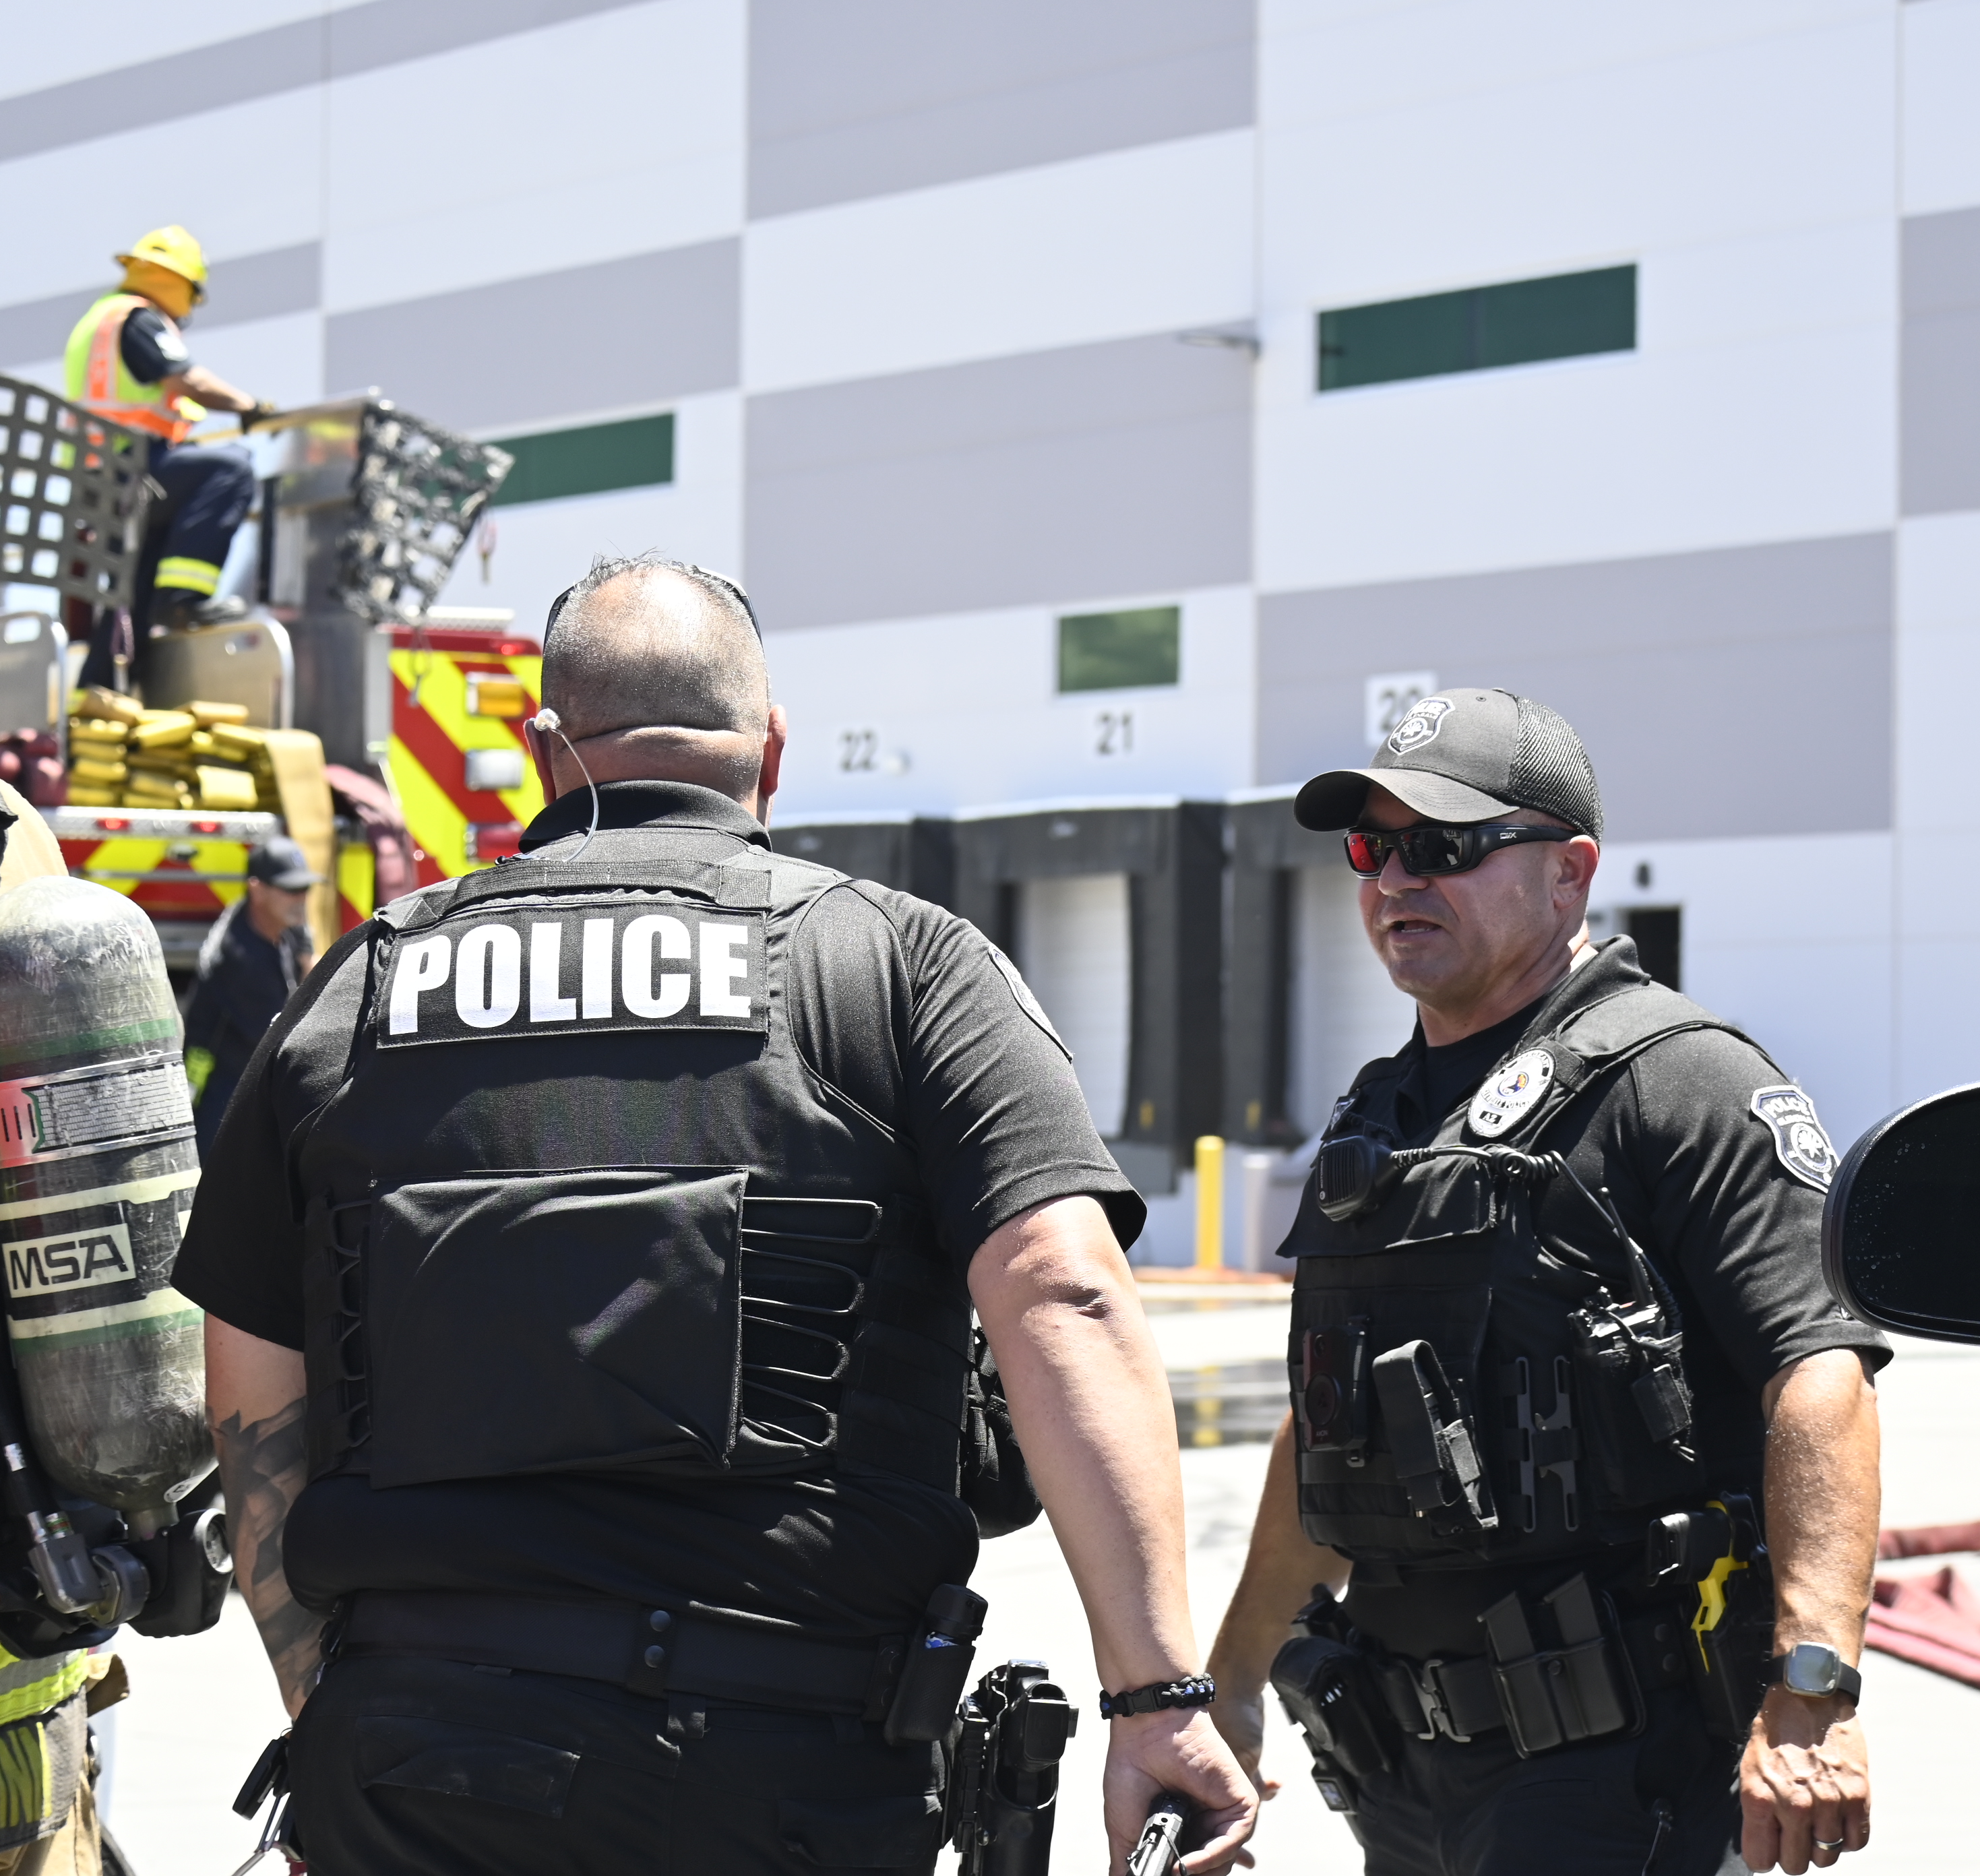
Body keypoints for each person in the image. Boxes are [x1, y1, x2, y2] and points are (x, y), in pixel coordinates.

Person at [174, 555, 1256, 1875]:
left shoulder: (361, 985)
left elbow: (251, 1386)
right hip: (789, 1773)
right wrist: (1157, 1697)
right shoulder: (900, 965)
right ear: (772, 752)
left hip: (416, 1765)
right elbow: (1062, 1290)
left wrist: (333, 1709)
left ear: (543, 751)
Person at [1204, 688, 1886, 1876]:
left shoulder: (1683, 1082)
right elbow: (1324, 1432)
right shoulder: (1382, 1113)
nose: (1395, 880)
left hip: (1617, 1776)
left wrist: (1814, 1686)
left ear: (1570, 874)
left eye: (1443, 846)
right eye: (1373, 849)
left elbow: (1819, 1376)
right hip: (1402, 1775)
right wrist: (1232, 1681)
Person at [62, 226, 269, 629]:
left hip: (100, 478)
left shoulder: (100, 318)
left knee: (134, 594)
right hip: (127, 470)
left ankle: (106, 668)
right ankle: (182, 599)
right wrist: (247, 406)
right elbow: (186, 379)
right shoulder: (137, 318)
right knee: (231, 469)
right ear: (179, 283)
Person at [181, 836, 317, 1150]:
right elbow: (283, 1042)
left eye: (305, 888)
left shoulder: (275, 917)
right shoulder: (240, 958)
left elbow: (306, 954)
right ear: (257, 889)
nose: (301, 898)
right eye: (291, 889)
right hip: (225, 1084)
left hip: (255, 1068)